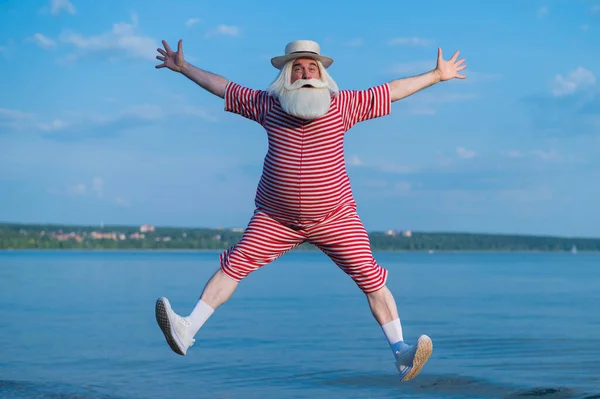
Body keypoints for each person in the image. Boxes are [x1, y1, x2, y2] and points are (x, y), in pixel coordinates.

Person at [154, 39, 466, 382]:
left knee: (371, 278)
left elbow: (391, 90)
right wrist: (184, 68)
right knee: (235, 264)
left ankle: (401, 352)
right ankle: (187, 328)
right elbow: (223, 86)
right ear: (287, 75)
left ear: (322, 75)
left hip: (336, 217)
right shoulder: (266, 104)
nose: (305, 72)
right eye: (298, 68)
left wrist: (437, 75)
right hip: (275, 218)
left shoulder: (344, 104)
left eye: (312, 67)